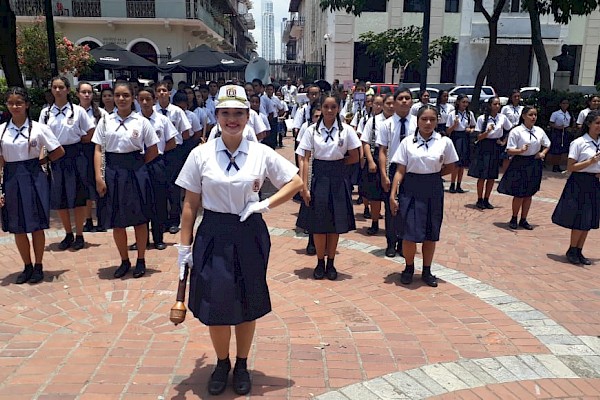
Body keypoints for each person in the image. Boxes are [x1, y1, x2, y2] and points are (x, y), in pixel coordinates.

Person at [175, 85, 301, 396]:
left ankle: (242, 363)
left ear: (248, 116)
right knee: (216, 301)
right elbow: (190, 204)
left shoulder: (261, 151)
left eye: (239, 113)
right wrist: (184, 247)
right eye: (226, 113)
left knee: (247, 299)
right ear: (216, 116)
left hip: (249, 231)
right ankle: (222, 363)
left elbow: (295, 181)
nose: (232, 119)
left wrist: (264, 204)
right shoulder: (200, 154)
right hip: (214, 232)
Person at [93, 83, 159, 278]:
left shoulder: (141, 122)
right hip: (113, 171)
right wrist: (99, 176)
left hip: (136, 171)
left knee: (139, 219)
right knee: (117, 220)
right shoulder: (105, 121)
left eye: (126, 96)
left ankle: (140, 259)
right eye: (118, 95)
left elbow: (153, 150)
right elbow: (98, 149)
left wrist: (137, 166)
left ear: (133, 98)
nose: (121, 99)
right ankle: (124, 260)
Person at [0, 87, 65, 284]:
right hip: (12, 178)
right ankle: (26, 265)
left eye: (19, 102)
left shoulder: (39, 128)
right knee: (18, 226)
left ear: (27, 104)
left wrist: (42, 162)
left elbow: (58, 151)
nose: (15, 106)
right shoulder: (2, 130)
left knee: (36, 225)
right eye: (11, 103)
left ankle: (38, 265)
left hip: (34, 177)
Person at [389, 105, 457, 287]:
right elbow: (400, 170)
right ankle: (409, 267)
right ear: (417, 121)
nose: (428, 123)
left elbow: (451, 166)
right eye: (424, 119)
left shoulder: (444, 142)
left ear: (437, 121)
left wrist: (432, 175)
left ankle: (427, 270)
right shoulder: (407, 143)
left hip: (433, 189)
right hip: (410, 188)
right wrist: (393, 194)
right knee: (409, 232)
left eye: (432, 120)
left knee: (430, 232)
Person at [298, 95, 361, 280]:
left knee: (334, 224)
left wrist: (340, 164)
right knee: (319, 225)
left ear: (339, 108)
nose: (330, 110)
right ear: (321, 108)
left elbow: (356, 156)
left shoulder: (346, 130)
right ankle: (319, 262)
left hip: (338, 179)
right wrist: (304, 186)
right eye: (326, 106)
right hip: (319, 178)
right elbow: (305, 159)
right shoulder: (311, 131)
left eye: (334, 106)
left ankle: (331, 262)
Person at [40, 76, 95, 251]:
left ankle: (79, 234)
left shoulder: (78, 111)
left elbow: (91, 131)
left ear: (67, 89)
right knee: (60, 197)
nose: (58, 90)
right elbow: (41, 135)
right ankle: (67, 233)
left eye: (61, 87)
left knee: (78, 195)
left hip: (75, 155)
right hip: (55, 156)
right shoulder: (46, 112)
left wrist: (80, 140)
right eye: (54, 87)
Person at [552, 110, 600, 265]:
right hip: (580, 182)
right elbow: (571, 166)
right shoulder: (579, 142)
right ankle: (572, 249)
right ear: (589, 124)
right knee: (579, 217)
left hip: (594, 182)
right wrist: (590, 162)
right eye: (597, 123)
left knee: (588, 218)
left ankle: (580, 250)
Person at [132, 87, 178, 250]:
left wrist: (156, 155)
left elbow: (172, 142)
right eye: (141, 99)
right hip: (137, 164)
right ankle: (141, 239)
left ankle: (158, 237)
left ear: (154, 100)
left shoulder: (162, 120)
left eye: (148, 99)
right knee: (140, 202)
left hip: (157, 163)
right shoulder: (133, 120)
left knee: (159, 200)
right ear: (137, 100)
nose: (145, 103)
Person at [377, 88, 417, 258]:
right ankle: (391, 243)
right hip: (394, 169)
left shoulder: (417, 122)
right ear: (394, 102)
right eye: (400, 98)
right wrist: (384, 175)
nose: (404, 101)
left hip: (412, 169)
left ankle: (404, 242)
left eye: (407, 98)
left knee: (408, 207)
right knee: (391, 207)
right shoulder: (387, 124)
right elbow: (382, 151)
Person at [497, 106, 550, 230]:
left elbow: (547, 144)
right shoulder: (517, 131)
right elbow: (509, 150)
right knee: (519, 193)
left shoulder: (539, 130)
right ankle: (514, 217)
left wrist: (543, 153)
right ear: (524, 116)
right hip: (520, 162)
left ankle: (524, 219)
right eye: (531, 115)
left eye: (535, 115)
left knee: (529, 193)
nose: (533, 117)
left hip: (534, 162)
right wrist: (520, 150)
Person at [154, 81, 192, 235]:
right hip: (156, 153)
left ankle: (174, 220)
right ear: (156, 94)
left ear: (169, 93)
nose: (162, 93)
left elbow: (186, 132)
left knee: (174, 188)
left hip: (174, 152)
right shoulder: (153, 112)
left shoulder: (176, 111)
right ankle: (161, 221)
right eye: (159, 91)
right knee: (160, 187)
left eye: (165, 90)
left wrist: (176, 143)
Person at [468, 97, 512, 209]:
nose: (497, 106)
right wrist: (487, 132)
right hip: (484, 145)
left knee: (492, 175)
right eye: (495, 104)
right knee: (482, 175)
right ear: (490, 105)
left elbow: (510, 130)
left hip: (495, 146)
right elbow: (478, 137)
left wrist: (503, 142)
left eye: (499, 104)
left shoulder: (502, 117)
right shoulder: (482, 118)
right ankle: (479, 199)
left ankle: (487, 199)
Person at [77, 81, 109, 233]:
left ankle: (102, 219)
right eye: (83, 92)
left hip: (97, 149)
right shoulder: (73, 111)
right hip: (80, 152)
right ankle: (88, 219)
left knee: (99, 182)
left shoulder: (100, 113)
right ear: (78, 94)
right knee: (85, 185)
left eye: (89, 92)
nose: (86, 95)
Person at [360, 94, 392, 235]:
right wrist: (371, 161)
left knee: (392, 194)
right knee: (374, 196)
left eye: (393, 103)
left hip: (393, 157)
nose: (390, 106)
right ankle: (374, 222)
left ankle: (392, 225)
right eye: (388, 103)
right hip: (376, 156)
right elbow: (365, 142)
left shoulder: (398, 121)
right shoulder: (373, 121)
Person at [295, 103, 322, 255]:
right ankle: (311, 240)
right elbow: (301, 156)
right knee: (310, 208)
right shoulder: (308, 130)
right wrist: (302, 179)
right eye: (316, 116)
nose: (318, 119)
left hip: (323, 174)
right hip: (309, 171)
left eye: (320, 116)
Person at [446, 94, 475, 193]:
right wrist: (454, 125)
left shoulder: (469, 114)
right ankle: (452, 184)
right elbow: (448, 131)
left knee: (462, 163)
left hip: (465, 137)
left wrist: (470, 130)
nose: (465, 104)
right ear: (458, 102)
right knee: (456, 162)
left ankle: (459, 184)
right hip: (456, 137)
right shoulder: (452, 114)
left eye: (467, 102)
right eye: (463, 102)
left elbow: (473, 126)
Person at [548, 98, 573, 173]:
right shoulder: (555, 113)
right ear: (560, 104)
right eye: (563, 103)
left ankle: (558, 165)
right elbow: (551, 123)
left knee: (563, 149)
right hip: (557, 132)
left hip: (565, 131)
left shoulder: (569, 113)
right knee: (556, 149)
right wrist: (558, 127)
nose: (565, 105)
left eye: (567, 103)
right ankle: (555, 166)